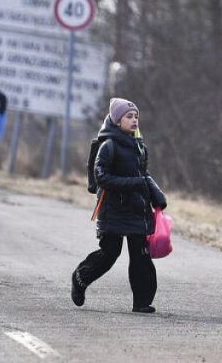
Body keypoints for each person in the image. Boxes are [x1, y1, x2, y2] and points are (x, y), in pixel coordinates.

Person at [71, 98, 167, 314]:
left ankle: (142, 302)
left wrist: (157, 194)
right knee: (109, 254)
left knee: (141, 256)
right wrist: (134, 184)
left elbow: (143, 175)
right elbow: (101, 177)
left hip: (136, 210)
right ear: (117, 121)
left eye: (136, 117)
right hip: (112, 211)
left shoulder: (139, 146)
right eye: (129, 116)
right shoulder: (108, 145)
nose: (134, 121)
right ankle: (80, 278)